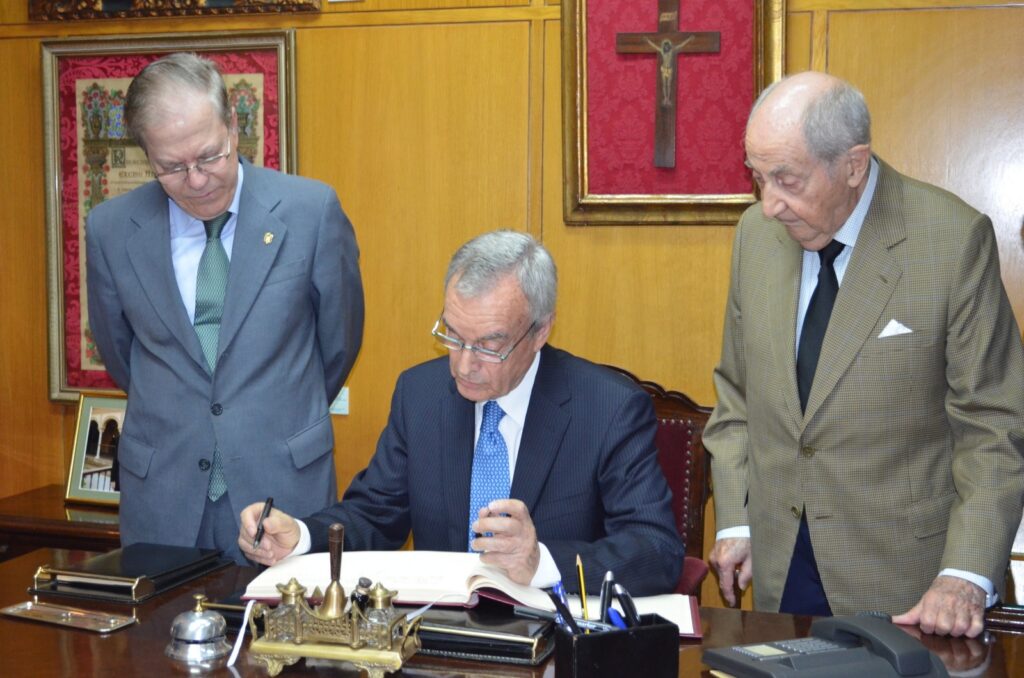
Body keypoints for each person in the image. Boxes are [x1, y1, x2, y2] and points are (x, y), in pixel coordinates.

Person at [704, 71, 1024, 638]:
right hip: (782, 572)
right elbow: (736, 395)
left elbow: (994, 426)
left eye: (787, 179)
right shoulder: (756, 236)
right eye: (758, 177)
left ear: (853, 165)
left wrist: (964, 574)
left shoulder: (950, 241)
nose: (769, 204)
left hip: (909, 586)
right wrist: (736, 520)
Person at [237, 230, 684, 595]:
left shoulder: (608, 409)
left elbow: (656, 550)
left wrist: (541, 562)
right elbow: (375, 515)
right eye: (453, 336)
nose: (464, 365)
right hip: (437, 636)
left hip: (551, 640)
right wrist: (302, 537)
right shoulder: (420, 394)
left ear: (540, 331)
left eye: (489, 345)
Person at [86, 53, 364, 564]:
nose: (196, 180)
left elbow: (338, 343)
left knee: (282, 618)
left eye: (209, 156)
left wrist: (272, 411)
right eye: (172, 167)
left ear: (233, 126)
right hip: (163, 492)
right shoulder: (111, 228)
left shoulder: (310, 212)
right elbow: (120, 352)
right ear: (146, 155)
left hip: (282, 484)